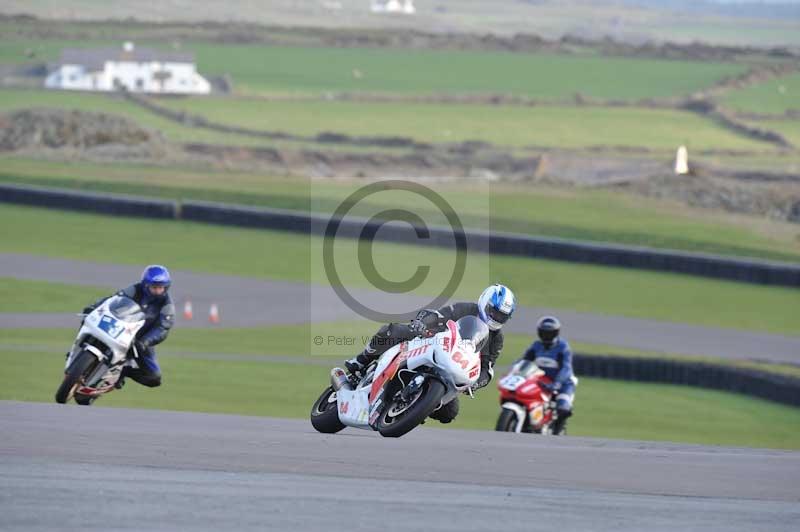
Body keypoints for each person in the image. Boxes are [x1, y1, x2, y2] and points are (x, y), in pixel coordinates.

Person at [345, 283, 516, 424]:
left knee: (450, 413)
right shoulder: (465, 309)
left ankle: (416, 407)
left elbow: (487, 369)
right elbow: (439, 316)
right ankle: (361, 361)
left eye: (501, 317)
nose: (496, 318)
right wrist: (423, 324)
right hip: (433, 345)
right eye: (494, 312)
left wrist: (475, 383)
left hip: (453, 370)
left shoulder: (496, 340)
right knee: (394, 331)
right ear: (485, 302)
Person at [80, 265, 174, 389]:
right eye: (154, 287)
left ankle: (122, 372)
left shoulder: (167, 305)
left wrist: (145, 341)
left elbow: (162, 328)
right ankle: (81, 347)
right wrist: (94, 307)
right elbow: (114, 299)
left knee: (154, 378)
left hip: (140, 340)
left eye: (161, 287)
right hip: (121, 327)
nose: (157, 291)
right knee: (88, 319)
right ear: (145, 285)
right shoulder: (135, 289)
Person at [522, 316, 576, 435]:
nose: (546, 336)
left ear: (556, 333)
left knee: (563, 408)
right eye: (544, 333)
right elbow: (524, 361)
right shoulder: (536, 346)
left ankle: (558, 431)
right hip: (542, 381)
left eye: (550, 333)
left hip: (563, 383)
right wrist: (516, 372)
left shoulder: (563, 347)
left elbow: (566, 368)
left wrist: (557, 383)